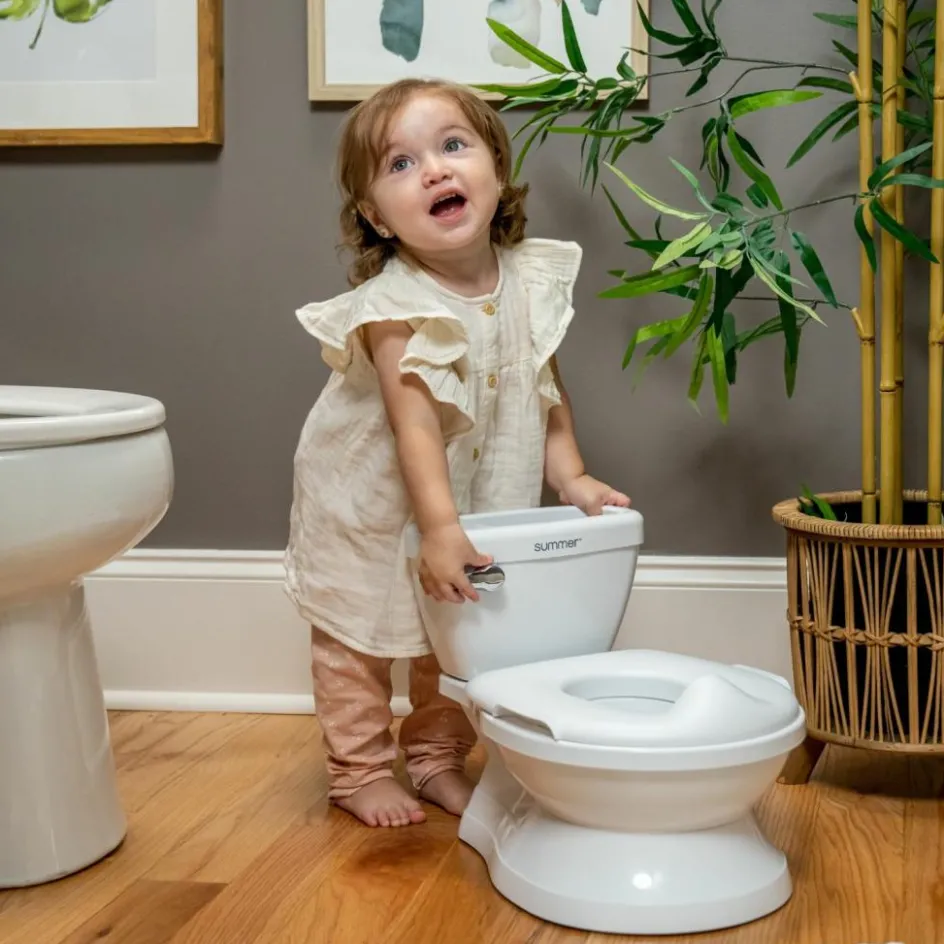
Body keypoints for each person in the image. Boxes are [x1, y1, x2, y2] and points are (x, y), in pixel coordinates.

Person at [284, 76, 630, 829]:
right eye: (400, 164)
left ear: (495, 169)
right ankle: (360, 770)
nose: (434, 169)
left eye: (452, 146)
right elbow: (413, 426)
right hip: (373, 506)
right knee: (360, 642)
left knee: (461, 640)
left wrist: (569, 474)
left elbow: (545, 382)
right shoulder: (394, 308)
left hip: (476, 493)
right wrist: (437, 529)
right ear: (376, 216)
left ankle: (438, 760)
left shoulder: (528, 281)